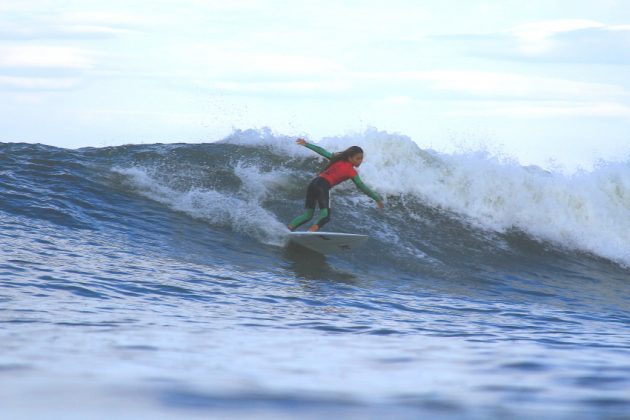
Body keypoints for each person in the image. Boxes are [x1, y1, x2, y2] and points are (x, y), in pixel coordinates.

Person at [288, 138, 384, 232]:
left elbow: (322, 151)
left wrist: (306, 144)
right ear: (350, 158)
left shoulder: (338, 159)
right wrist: (377, 198)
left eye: (361, 158)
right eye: (357, 158)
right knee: (325, 216)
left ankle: (288, 229)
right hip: (323, 185)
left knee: (308, 215)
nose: (360, 161)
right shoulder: (352, 172)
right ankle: (311, 232)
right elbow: (362, 186)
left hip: (314, 183)